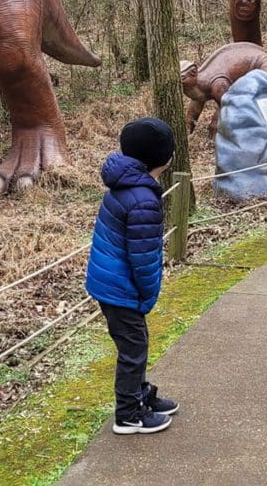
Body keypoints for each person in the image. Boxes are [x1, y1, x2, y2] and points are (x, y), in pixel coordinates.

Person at [85, 117, 180, 434]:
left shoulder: (128, 186)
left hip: (110, 283)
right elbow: (143, 258)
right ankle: (127, 414)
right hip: (121, 288)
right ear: (163, 158)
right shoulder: (142, 200)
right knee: (133, 349)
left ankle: (139, 396)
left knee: (135, 346)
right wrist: (148, 293)